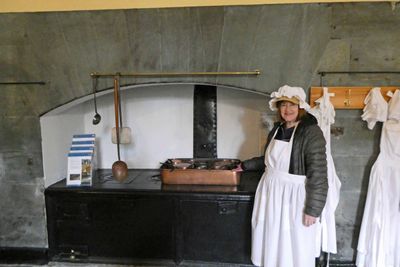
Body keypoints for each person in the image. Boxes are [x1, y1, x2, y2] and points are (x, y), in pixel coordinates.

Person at [242, 85, 328, 267]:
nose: (287, 110)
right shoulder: (277, 129)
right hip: (270, 194)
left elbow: (318, 173)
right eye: (283, 105)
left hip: (293, 196)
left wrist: (313, 209)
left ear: (301, 107)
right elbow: (269, 161)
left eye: (292, 105)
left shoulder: (311, 132)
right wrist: (243, 165)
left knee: (294, 242)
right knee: (271, 238)